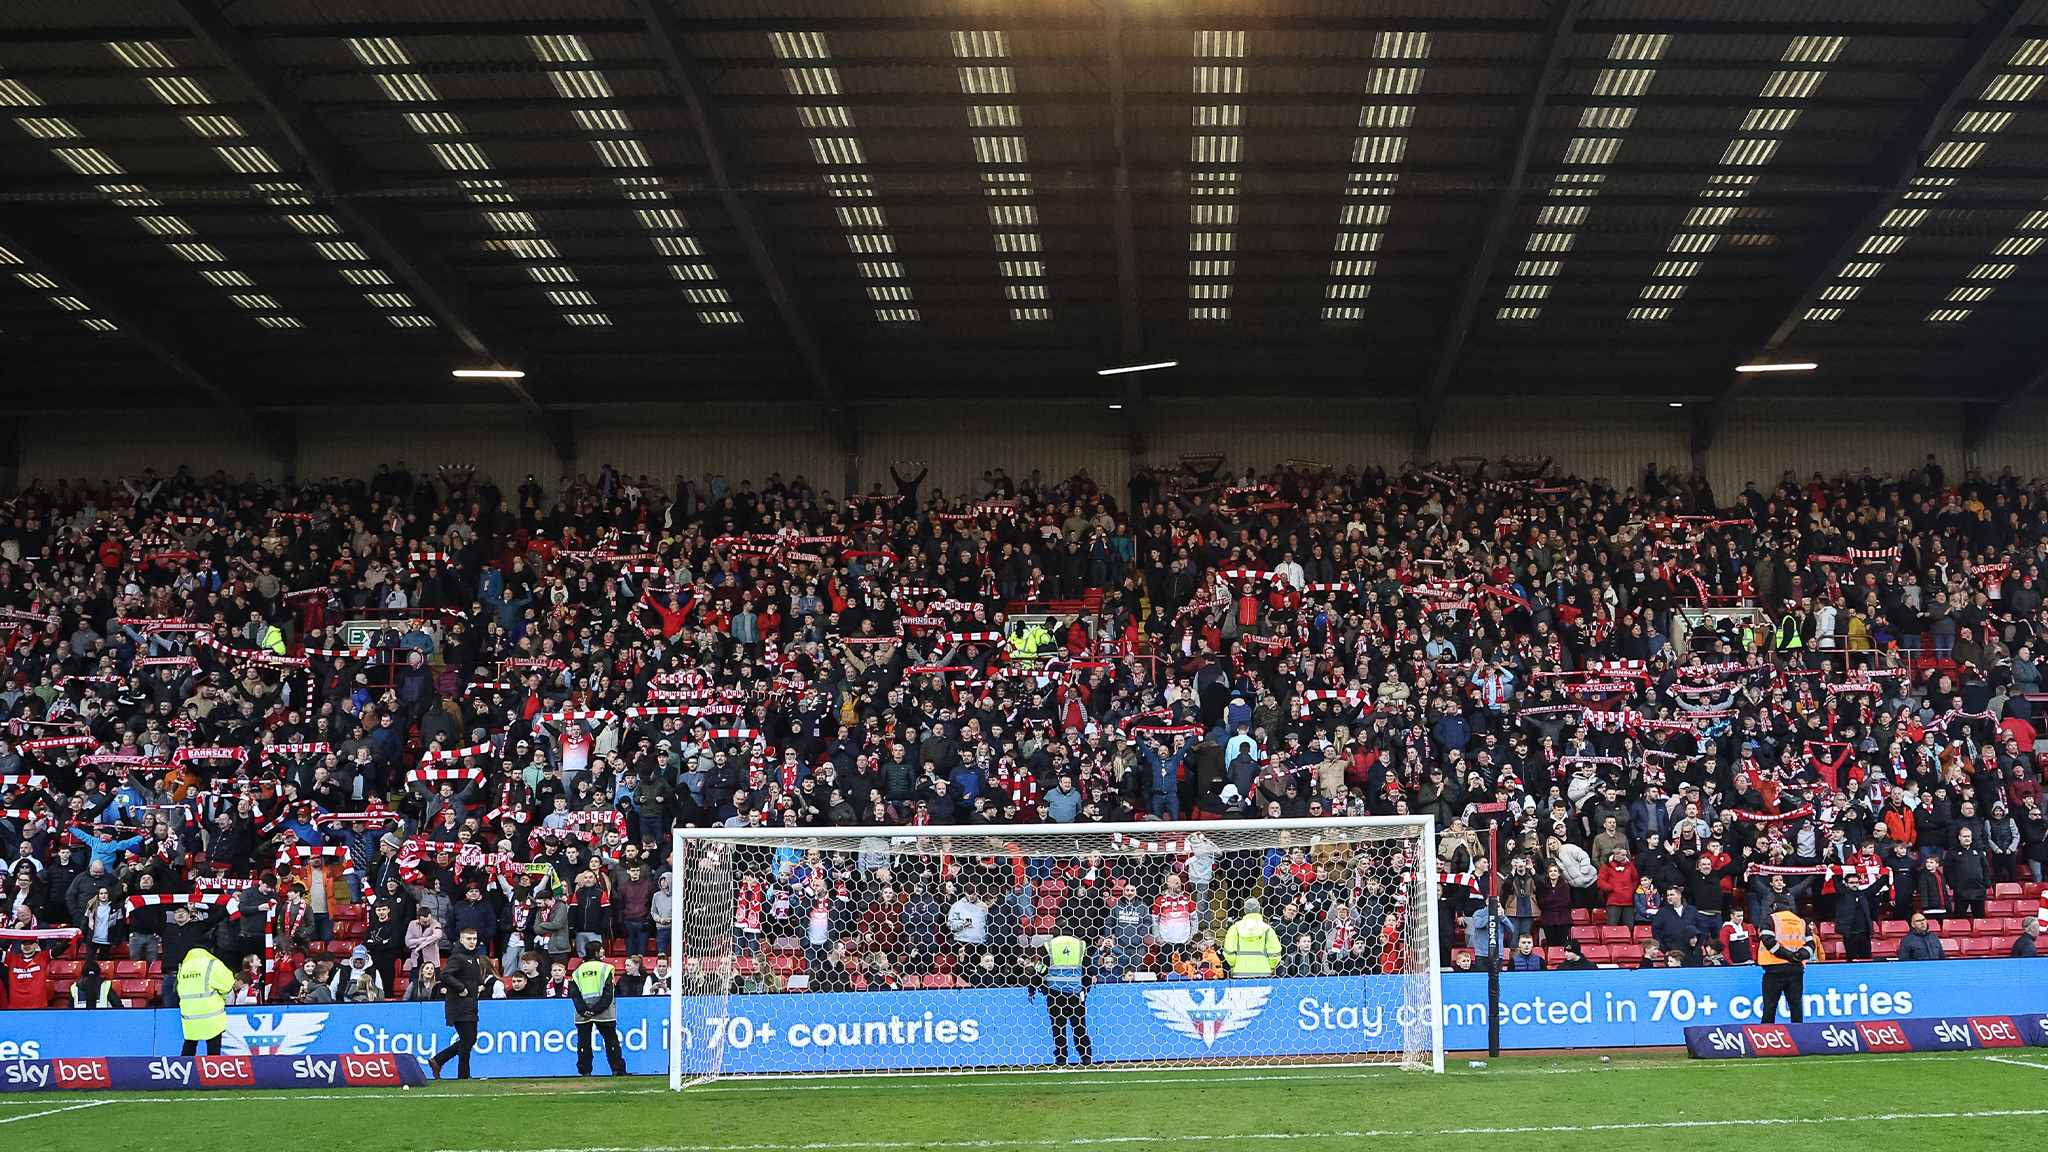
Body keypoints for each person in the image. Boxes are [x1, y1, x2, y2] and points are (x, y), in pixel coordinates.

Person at [1030, 932, 1092, 1067]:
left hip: (1055, 992)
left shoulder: (1050, 945)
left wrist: (1032, 987)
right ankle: (1086, 1056)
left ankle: (1061, 1057)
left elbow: (1040, 969)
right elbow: (1087, 969)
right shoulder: (1080, 945)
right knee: (1079, 1025)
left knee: (1058, 1026)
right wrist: (1085, 989)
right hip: (1075, 991)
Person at [430, 927, 484, 1080]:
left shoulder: (474, 957)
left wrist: (479, 984)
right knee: (468, 1038)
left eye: (474, 939)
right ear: (461, 940)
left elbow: (471, 976)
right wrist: (460, 988)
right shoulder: (458, 957)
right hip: (458, 1005)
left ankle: (438, 1060)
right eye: (469, 939)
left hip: (471, 1004)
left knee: (470, 1038)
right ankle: (463, 1075)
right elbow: (445, 975)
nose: (472, 942)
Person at [570, 941, 628, 1076]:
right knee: (611, 1040)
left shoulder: (577, 971)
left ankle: (585, 1071)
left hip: (583, 1013)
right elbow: (609, 992)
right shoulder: (606, 968)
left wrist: (584, 1010)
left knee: (584, 1043)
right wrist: (596, 1009)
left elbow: (574, 993)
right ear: (596, 953)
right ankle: (617, 1069)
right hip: (604, 1011)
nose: (603, 951)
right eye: (601, 949)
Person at [1755, 896, 1815, 1024]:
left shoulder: (1771, 919)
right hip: (1796, 969)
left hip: (1774, 969)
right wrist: (1797, 956)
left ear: (1775, 906)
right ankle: (1799, 1036)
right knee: (1796, 1007)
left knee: (1770, 1007)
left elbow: (1768, 941)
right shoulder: (1801, 922)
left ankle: (1767, 1036)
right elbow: (1811, 946)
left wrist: (1787, 955)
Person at [176, 945, 235, 1054]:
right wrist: (223, 996)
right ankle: (212, 1070)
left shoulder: (184, 966)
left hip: (190, 1015)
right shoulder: (212, 963)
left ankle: (184, 1069)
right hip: (211, 1014)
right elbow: (228, 982)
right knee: (213, 1049)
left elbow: (179, 989)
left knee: (189, 1046)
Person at [1221, 897, 1281, 977]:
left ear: (1245, 911)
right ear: (1259, 910)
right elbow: (1275, 952)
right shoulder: (1267, 929)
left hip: (1240, 972)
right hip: (1263, 971)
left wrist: (1235, 964)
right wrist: (1270, 966)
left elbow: (1228, 952)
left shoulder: (1235, 928)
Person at [3, 938, 50, 1010]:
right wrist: (15, 930)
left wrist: (71, 938)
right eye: (24, 943)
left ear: (36, 945)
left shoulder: (43, 957)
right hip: (16, 1008)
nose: (26, 946)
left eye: (30, 943)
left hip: (38, 1007)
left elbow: (60, 949)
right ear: (20, 946)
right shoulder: (12, 958)